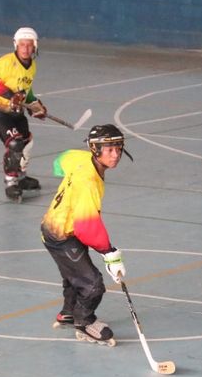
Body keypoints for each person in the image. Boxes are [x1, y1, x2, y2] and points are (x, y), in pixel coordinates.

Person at [41, 124, 133, 345]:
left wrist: (61, 174)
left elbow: (63, 159)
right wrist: (110, 254)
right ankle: (84, 322)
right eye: (109, 149)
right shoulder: (88, 183)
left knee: (74, 273)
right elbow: (87, 227)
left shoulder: (81, 158)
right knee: (92, 284)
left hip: (58, 224)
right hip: (61, 234)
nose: (116, 154)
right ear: (95, 149)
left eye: (118, 148)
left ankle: (69, 312)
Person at [0, 27, 47, 201]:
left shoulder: (32, 66)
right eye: (22, 45)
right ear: (16, 45)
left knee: (26, 141)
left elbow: (26, 90)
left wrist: (34, 105)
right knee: (15, 143)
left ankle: (21, 177)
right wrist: (11, 96)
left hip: (16, 112)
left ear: (35, 47)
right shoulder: (6, 62)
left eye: (29, 45)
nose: (25, 49)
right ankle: (11, 182)